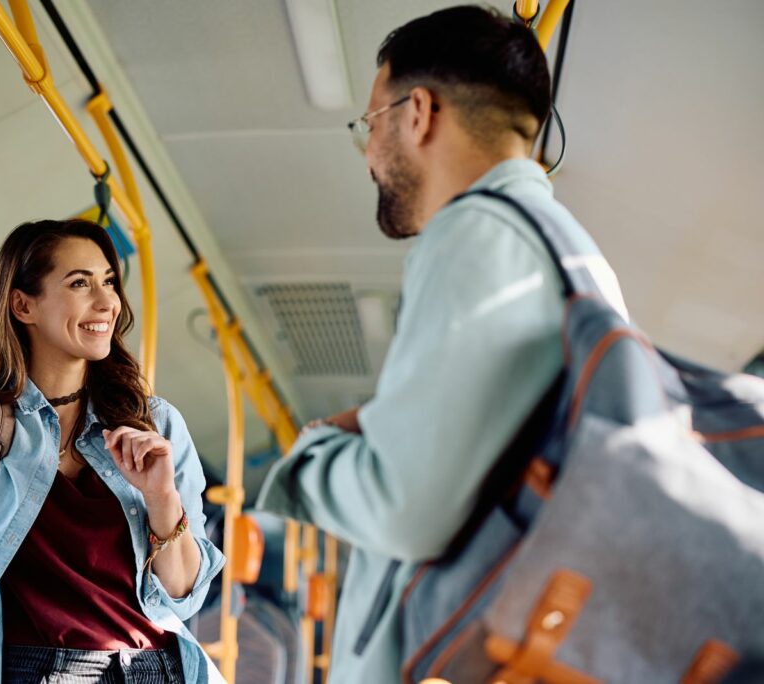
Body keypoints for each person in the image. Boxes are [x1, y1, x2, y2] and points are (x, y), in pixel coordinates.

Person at [256, 6, 626, 683]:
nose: (368, 154)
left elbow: (405, 509)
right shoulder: (570, 252)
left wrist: (313, 455)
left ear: (417, 112)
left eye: (369, 124)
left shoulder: (479, 233)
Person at [0, 105, 225, 683]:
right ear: (23, 305)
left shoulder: (155, 425)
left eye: (109, 284)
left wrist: (162, 498)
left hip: (154, 670)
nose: (108, 304)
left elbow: (185, 593)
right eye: (80, 284)